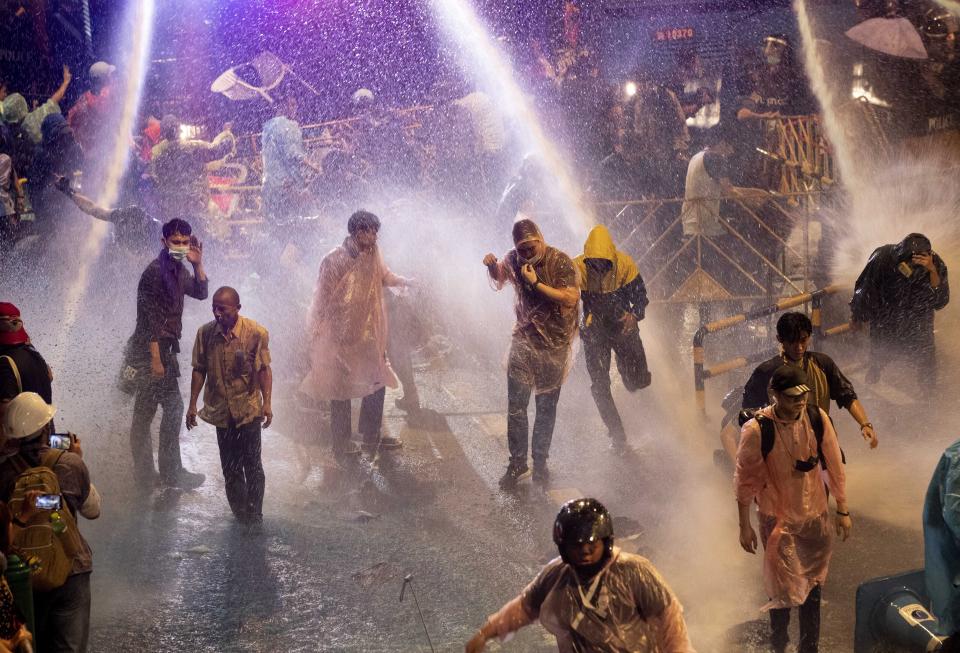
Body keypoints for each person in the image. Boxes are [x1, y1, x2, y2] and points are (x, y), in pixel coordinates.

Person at [465, 498, 695, 653]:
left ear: (605, 542)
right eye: (577, 546)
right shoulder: (557, 575)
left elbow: (670, 620)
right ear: (564, 547)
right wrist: (486, 633)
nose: (584, 552)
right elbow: (525, 607)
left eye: (591, 545)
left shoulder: (635, 572)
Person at [735, 366, 851, 653]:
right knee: (782, 588)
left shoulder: (816, 418)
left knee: (813, 586)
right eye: (791, 397)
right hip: (778, 521)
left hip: (815, 517)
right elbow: (744, 481)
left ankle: (809, 647)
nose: (799, 402)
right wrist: (744, 525)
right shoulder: (757, 430)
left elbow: (834, 465)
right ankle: (779, 643)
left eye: (803, 396)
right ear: (774, 395)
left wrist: (843, 509)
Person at [299, 210, 413, 457]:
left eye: (375, 232)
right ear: (356, 232)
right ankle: (340, 443)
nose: (373, 237)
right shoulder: (334, 260)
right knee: (339, 388)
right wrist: (320, 337)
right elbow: (322, 300)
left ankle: (372, 437)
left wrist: (404, 281)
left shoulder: (372, 254)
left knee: (376, 381)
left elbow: (383, 275)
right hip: (339, 336)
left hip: (368, 334)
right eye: (368, 231)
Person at [0, 392, 101, 653]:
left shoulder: (4, 473)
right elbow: (93, 510)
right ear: (46, 426)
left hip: (28, 572)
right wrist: (78, 458)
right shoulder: (68, 462)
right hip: (72, 566)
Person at [483, 218, 579, 488]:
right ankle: (517, 463)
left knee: (546, 407)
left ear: (540, 238)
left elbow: (570, 297)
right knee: (516, 406)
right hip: (524, 340)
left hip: (555, 344)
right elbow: (500, 277)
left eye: (530, 247)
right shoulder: (514, 260)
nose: (526, 253)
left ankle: (540, 462)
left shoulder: (560, 261)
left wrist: (537, 284)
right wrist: (492, 266)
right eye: (521, 249)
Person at [124, 218, 208, 489]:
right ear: (164, 242)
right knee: (172, 408)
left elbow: (201, 292)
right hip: (150, 351)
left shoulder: (177, 270)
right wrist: (156, 359)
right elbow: (146, 319)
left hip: (163, 349)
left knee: (145, 413)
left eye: (185, 242)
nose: (182, 247)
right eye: (176, 242)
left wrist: (197, 263)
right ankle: (170, 474)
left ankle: (146, 475)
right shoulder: (154, 273)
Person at [187, 287, 272, 527]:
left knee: (252, 465)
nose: (216, 313)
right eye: (214, 307)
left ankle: (255, 515)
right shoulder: (205, 334)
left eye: (222, 308)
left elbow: (264, 370)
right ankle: (241, 515)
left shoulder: (256, 332)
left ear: (237, 308)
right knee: (231, 469)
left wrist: (268, 404)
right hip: (222, 412)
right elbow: (199, 369)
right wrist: (192, 404)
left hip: (248, 410)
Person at [742, 311, 878, 449]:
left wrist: (865, 424)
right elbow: (749, 414)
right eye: (792, 341)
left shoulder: (823, 364)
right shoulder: (766, 372)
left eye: (803, 340)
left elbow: (847, 396)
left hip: (821, 439)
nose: (799, 347)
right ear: (780, 339)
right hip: (782, 447)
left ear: (809, 338)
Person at [573, 225, 651, 450]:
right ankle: (617, 435)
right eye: (593, 263)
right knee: (599, 385)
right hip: (594, 331)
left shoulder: (625, 264)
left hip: (622, 327)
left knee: (639, 380)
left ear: (611, 258)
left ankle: (632, 377)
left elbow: (641, 297)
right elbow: (565, 298)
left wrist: (634, 316)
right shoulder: (576, 267)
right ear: (587, 258)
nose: (598, 268)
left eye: (603, 263)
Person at [850, 233, 949, 385]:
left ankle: (928, 392)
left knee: (926, 356)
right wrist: (857, 317)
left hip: (918, 319)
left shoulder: (935, 263)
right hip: (886, 315)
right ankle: (875, 369)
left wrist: (932, 271)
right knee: (880, 348)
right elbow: (865, 289)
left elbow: (940, 301)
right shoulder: (882, 257)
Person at [149, 115, 235, 231]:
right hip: (197, 205)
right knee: (217, 229)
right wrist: (226, 134)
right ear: (179, 130)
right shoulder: (192, 147)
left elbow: (156, 178)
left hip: (173, 210)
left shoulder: (157, 155)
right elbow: (216, 149)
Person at [54, 174, 159, 254]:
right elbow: (93, 209)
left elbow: (93, 209)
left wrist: (69, 192)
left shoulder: (128, 218)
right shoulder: (129, 217)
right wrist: (69, 192)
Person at [260, 96, 320, 227]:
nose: (295, 108)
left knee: (279, 228)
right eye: (292, 105)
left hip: (270, 185)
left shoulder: (267, 127)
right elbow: (294, 154)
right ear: (282, 106)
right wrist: (316, 168)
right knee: (309, 220)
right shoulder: (289, 126)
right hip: (289, 184)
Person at [0, 303, 53, 430]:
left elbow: (4, 415)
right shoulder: (35, 354)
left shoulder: (4, 364)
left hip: (23, 447)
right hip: (46, 437)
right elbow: (50, 376)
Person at [1, 65, 72, 145]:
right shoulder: (35, 118)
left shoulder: (9, 136)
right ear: (24, 105)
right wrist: (66, 82)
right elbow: (54, 100)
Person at [66, 61, 116, 152]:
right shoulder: (107, 98)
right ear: (103, 80)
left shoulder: (83, 100)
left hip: (85, 151)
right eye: (109, 76)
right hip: (101, 152)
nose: (112, 78)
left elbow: (70, 121)